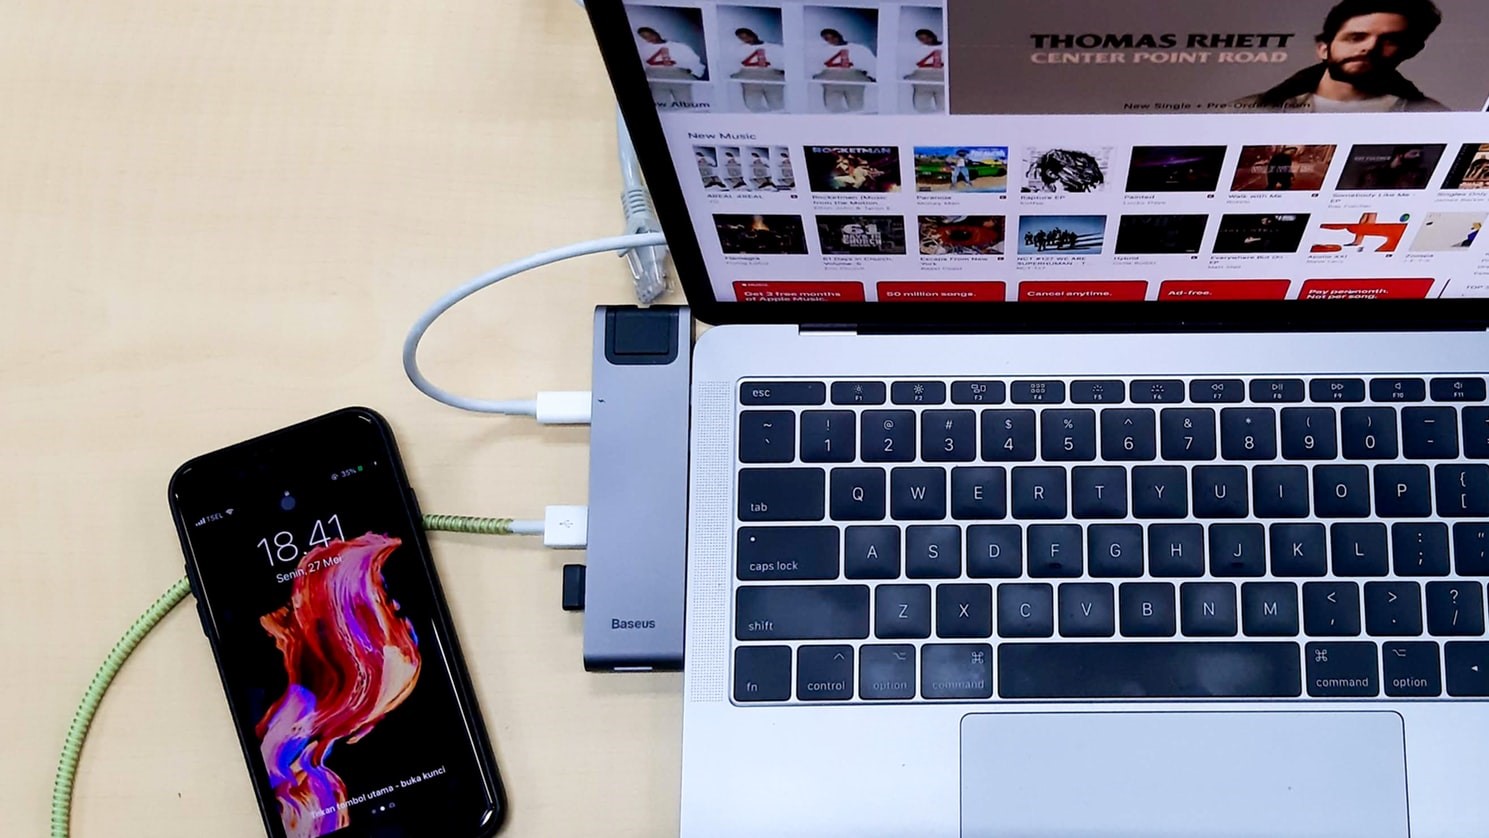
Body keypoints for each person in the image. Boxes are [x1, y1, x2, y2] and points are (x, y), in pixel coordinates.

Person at [1234, 0, 1447, 113]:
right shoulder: (1247, 110)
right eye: (1355, 37)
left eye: (1390, 40)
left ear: (1411, 51)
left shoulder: (1432, 116)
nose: (1369, 47)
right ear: (1323, 49)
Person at [636, 26, 705, 106]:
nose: (650, 39)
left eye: (651, 35)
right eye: (645, 37)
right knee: (661, 105)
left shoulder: (678, 46)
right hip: (657, 80)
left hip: (679, 78)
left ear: (656, 33)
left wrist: (693, 72)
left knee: (685, 104)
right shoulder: (644, 50)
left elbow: (694, 61)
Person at [813, 28, 877, 113]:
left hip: (854, 82)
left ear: (839, 36)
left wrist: (871, 76)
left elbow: (870, 64)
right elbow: (814, 67)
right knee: (832, 108)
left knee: (856, 107)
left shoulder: (858, 49)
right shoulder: (821, 51)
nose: (832, 40)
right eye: (827, 39)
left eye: (833, 37)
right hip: (831, 83)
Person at [729, 27, 785, 113]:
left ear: (753, 35)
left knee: (777, 104)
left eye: (747, 37)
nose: (746, 40)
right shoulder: (739, 50)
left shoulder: (774, 48)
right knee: (753, 105)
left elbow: (782, 64)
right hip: (750, 81)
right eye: (742, 38)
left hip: (772, 79)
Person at [903, 28, 946, 113]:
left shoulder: (944, 48)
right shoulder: (915, 50)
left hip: (941, 81)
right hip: (922, 83)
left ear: (933, 37)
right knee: (921, 107)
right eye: (921, 39)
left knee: (944, 107)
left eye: (927, 38)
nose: (925, 41)